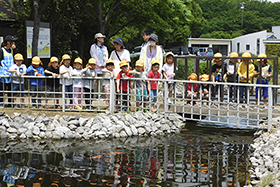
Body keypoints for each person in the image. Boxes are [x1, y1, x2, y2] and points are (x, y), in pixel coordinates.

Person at [0, 35, 17, 107]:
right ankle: (1, 103)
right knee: (2, 89)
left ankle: (10, 103)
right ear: (8, 42)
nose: (13, 43)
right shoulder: (1, 50)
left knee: (10, 89)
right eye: (12, 42)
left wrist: (15, 49)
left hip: (11, 73)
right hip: (3, 73)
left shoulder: (12, 50)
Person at [90, 33, 108, 97]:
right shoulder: (93, 47)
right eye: (101, 37)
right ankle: (94, 95)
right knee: (95, 81)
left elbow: (106, 56)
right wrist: (99, 64)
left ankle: (99, 94)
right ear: (97, 38)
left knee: (100, 81)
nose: (103, 39)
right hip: (96, 66)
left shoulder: (104, 47)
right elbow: (93, 55)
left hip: (103, 67)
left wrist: (105, 64)